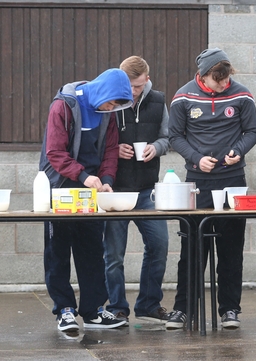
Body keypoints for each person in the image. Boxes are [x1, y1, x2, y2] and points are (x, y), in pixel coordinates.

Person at [166, 48, 256, 330]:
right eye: (216, 80)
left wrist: (238, 152)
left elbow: (252, 132)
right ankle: (183, 309)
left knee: (231, 250)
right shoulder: (183, 97)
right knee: (192, 249)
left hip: (233, 180)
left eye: (225, 79)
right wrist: (196, 158)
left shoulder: (242, 95)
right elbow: (174, 136)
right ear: (203, 75)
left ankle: (229, 309)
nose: (222, 84)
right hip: (198, 181)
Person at [39, 68, 133, 331]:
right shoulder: (64, 105)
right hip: (61, 186)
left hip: (90, 188)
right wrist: (83, 176)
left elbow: (110, 151)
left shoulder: (108, 113)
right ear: (102, 91)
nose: (112, 107)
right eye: (112, 101)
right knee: (58, 250)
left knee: (92, 250)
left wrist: (107, 181)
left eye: (117, 104)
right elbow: (55, 152)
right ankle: (65, 310)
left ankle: (93, 311)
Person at [103, 56, 171, 326]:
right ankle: (117, 307)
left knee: (159, 246)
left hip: (147, 190)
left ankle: (148, 305)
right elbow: (97, 142)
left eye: (140, 86)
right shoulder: (110, 102)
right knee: (113, 255)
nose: (134, 92)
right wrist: (114, 150)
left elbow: (168, 136)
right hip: (115, 190)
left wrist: (158, 147)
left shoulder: (158, 100)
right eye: (130, 87)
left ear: (147, 79)